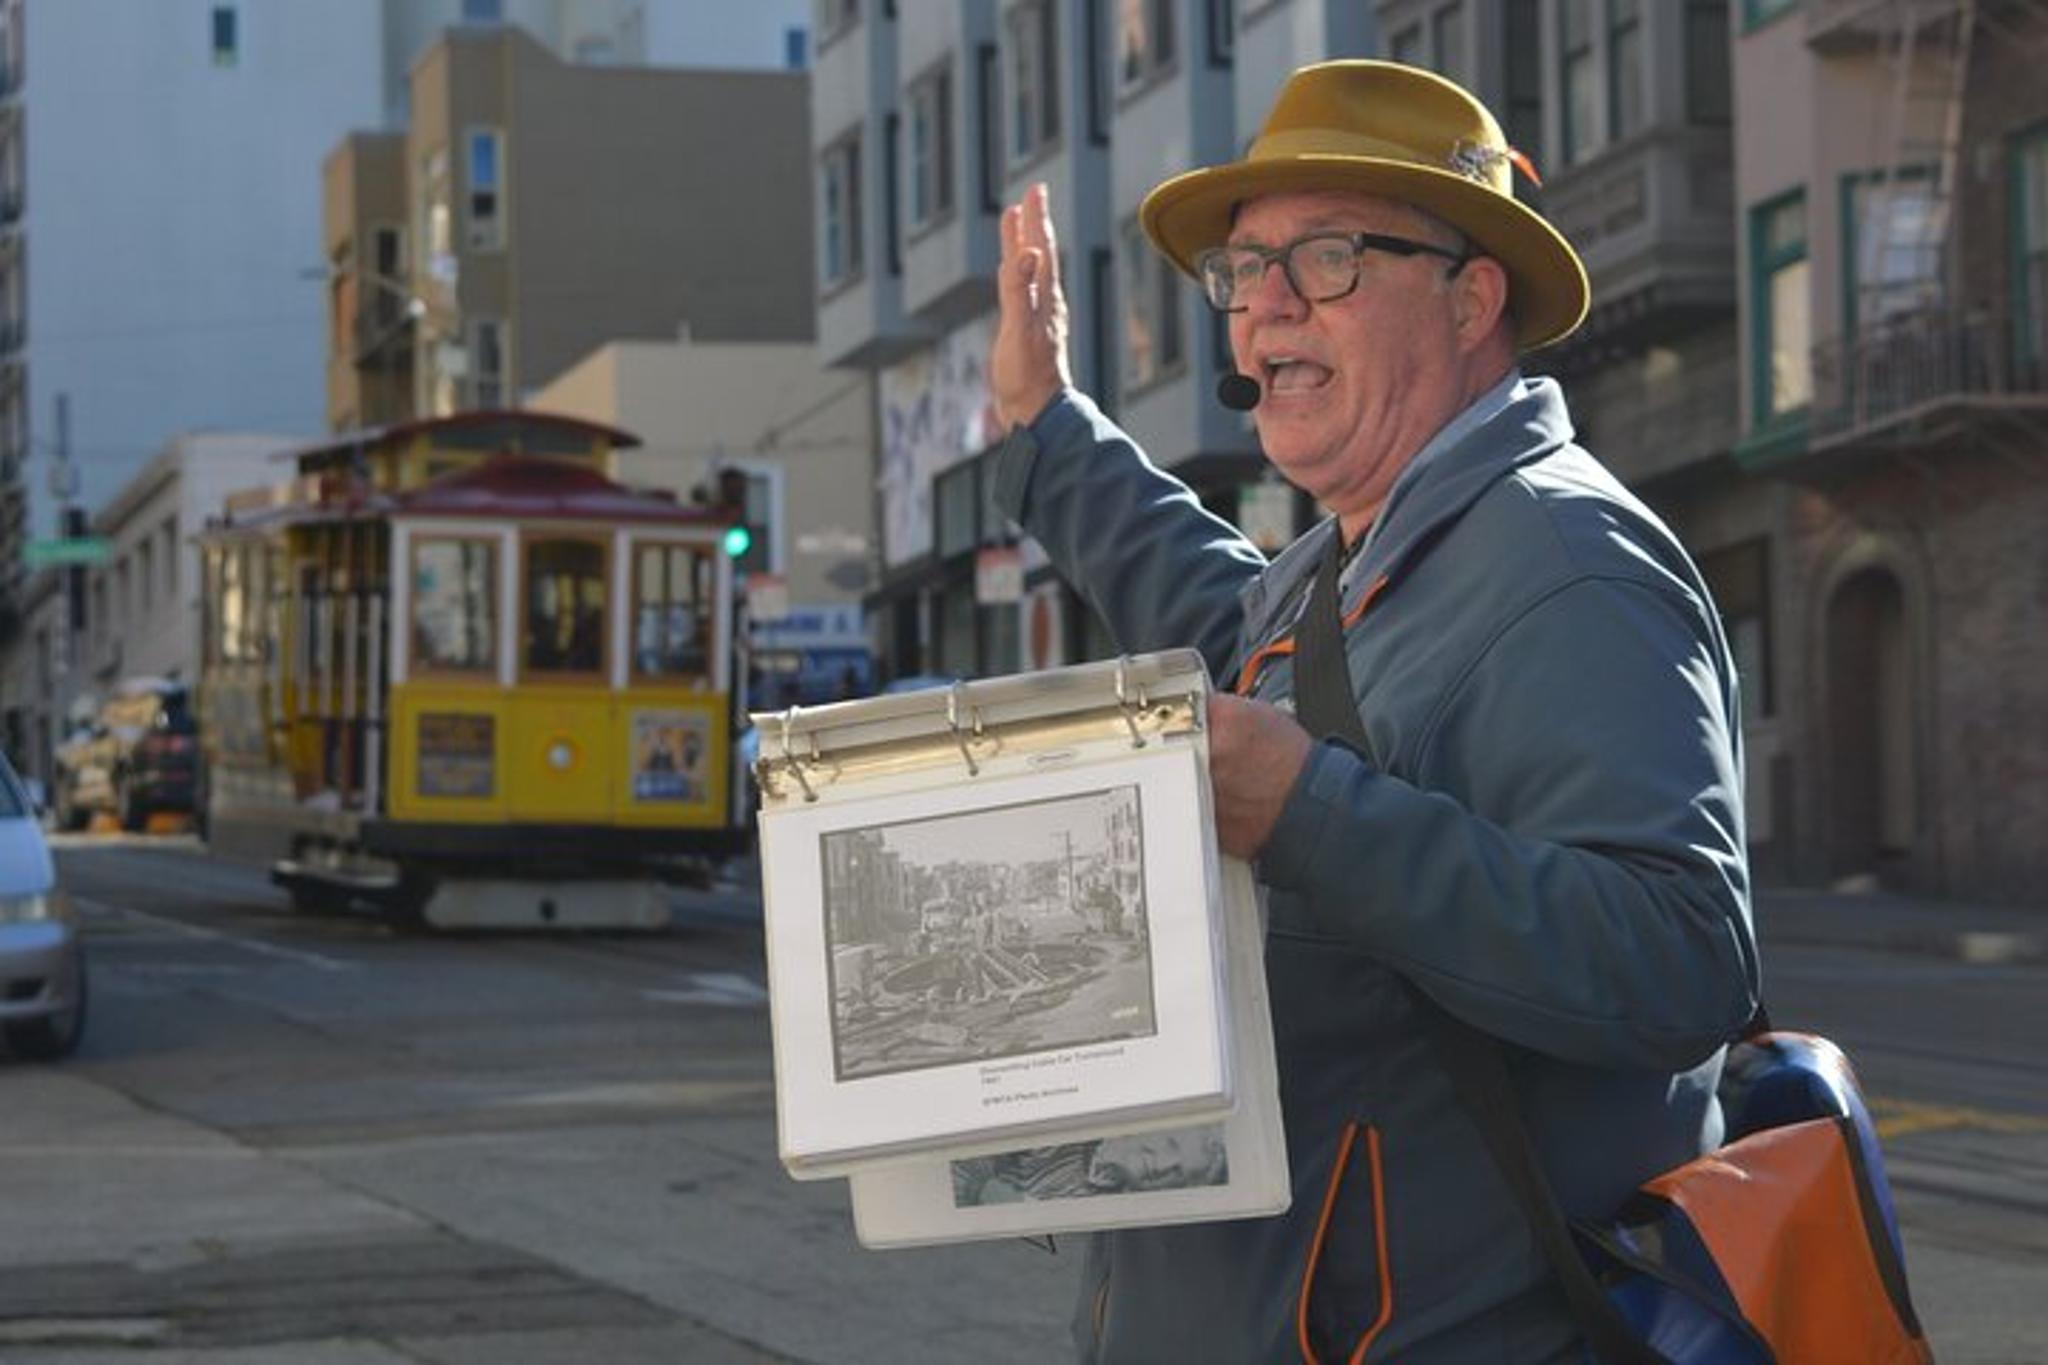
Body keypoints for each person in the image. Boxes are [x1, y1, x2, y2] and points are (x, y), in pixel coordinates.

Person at [988, 62, 1757, 1363]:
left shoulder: (1573, 568)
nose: (1264, 306)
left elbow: (1683, 962)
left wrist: (1306, 813)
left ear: (1472, 297)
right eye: (1244, 270)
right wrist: (1044, 425)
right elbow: (1221, 613)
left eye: (1327, 258)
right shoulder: (1355, 553)